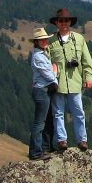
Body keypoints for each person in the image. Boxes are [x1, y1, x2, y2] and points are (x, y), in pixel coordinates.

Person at [47, 8, 92, 151]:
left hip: (75, 82)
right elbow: (46, 62)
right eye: (61, 21)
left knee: (78, 112)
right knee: (58, 113)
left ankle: (82, 140)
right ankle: (62, 140)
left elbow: (87, 60)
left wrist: (88, 77)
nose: (64, 23)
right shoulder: (50, 41)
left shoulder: (79, 39)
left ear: (70, 22)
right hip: (57, 83)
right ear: (56, 23)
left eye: (66, 20)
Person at [28, 26, 58, 161]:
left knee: (47, 121)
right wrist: (55, 71)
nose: (44, 41)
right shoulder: (38, 56)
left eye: (45, 39)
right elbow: (49, 75)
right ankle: (35, 152)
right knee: (39, 123)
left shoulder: (42, 54)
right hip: (42, 91)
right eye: (41, 40)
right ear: (36, 42)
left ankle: (45, 148)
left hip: (43, 90)